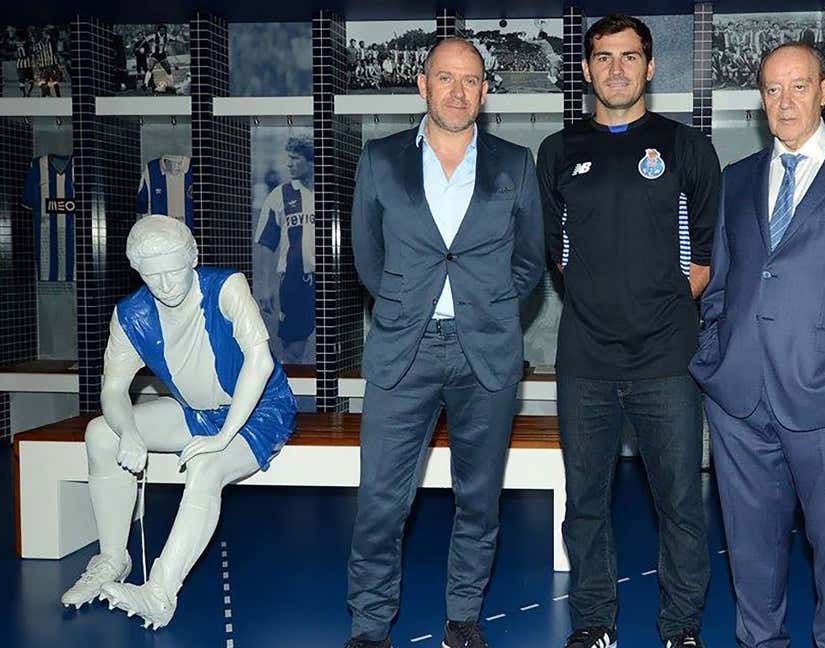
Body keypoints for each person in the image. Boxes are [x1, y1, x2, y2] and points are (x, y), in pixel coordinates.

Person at [690, 43, 825, 648]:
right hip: (738, 400)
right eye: (771, 90)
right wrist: (713, 357)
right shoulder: (737, 180)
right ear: (760, 99)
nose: (784, 102)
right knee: (751, 551)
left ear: (824, 89)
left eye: (797, 87)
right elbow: (724, 284)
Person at [345, 37, 544, 648]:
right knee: (381, 501)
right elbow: (367, 259)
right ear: (422, 85)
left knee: (478, 500)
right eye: (445, 77)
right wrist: (409, 304)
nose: (458, 90)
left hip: (484, 353)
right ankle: (371, 628)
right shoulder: (380, 160)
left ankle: (463, 619)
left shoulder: (515, 164)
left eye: (471, 80)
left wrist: (484, 305)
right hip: (404, 352)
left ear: (485, 92)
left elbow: (530, 262)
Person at [536, 14, 720, 648]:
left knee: (681, 508)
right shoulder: (558, 151)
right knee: (586, 505)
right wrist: (602, 305)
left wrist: (651, 311)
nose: (617, 69)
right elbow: (558, 255)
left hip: (667, 361)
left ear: (650, 66)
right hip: (584, 361)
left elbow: (701, 262)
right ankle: (593, 624)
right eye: (604, 57)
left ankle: (681, 630)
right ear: (586, 70)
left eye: (630, 56)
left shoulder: (686, 147)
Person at [59, 216, 297, 630]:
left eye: (174, 272)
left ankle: (159, 593)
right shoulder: (131, 315)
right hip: (196, 411)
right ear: (138, 273)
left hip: (260, 409)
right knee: (101, 433)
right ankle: (112, 559)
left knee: (206, 466)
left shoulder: (226, 287)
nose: (166, 285)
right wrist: (129, 432)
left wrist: (224, 437)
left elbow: (258, 362)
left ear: (193, 259)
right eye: (154, 277)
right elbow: (113, 390)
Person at [254, 134, 316, 364]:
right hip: (294, 281)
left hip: (331, 281)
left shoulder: (332, 193)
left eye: (295, 158)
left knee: (334, 346)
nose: (288, 164)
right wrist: (264, 287)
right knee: (293, 350)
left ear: (312, 161)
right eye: (288, 158)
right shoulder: (280, 195)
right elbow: (265, 245)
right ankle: (292, 397)